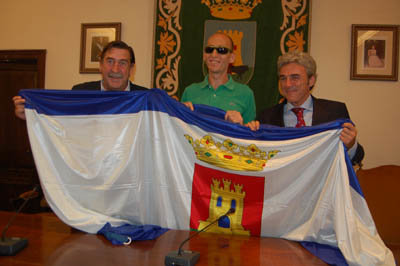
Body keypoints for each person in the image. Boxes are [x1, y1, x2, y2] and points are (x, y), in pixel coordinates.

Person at [246, 51, 364, 166]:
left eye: (295, 78)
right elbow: (257, 161)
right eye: (283, 78)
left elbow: (357, 158)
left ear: (311, 80)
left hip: (322, 185)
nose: (287, 84)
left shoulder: (335, 112)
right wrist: (249, 138)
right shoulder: (266, 117)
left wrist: (350, 145)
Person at [13, 40, 147, 120]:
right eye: (110, 61)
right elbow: (60, 122)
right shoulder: (80, 93)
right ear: (100, 65)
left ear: (131, 69)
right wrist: (31, 115)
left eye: (123, 63)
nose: (115, 69)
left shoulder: (146, 99)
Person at [181, 32, 256, 125]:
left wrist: (241, 125)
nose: (214, 54)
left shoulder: (245, 94)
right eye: (209, 49)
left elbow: (249, 134)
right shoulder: (190, 92)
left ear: (232, 58)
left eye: (222, 50)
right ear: (204, 55)